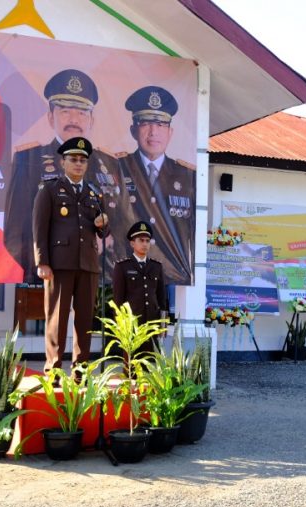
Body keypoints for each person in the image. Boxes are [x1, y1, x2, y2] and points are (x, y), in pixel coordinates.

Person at [5, 69, 120, 284]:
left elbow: (121, 226)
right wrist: (41, 267)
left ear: (92, 119)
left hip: (97, 274)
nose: (74, 119)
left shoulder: (110, 164)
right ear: (50, 116)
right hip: (50, 275)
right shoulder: (27, 160)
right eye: (65, 111)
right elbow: (14, 233)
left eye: (82, 112)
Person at [33, 137, 110, 373]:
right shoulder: (50, 190)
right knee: (57, 317)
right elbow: (39, 228)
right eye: (73, 159)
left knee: (85, 320)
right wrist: (42, 262)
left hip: (87, 264)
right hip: (59, 264)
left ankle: (81, 368)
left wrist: (102, 224)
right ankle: (53, 368)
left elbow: (103, 229)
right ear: (63, 162)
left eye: (82, 160)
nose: (78, 164)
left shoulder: (94, 194)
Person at [111, 85, 195, 285]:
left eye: (160, 124)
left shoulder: (187, 176)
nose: (153, 132)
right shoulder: (116, 168)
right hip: (126, 267)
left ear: (170, 131)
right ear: (133, 130)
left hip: (170, 271)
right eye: (145, 123)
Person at [112, 221, 168, 355]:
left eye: (147, 241)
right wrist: (120, 325)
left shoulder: (156, 267)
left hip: (151, 323)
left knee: (150, 365)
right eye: (141, 240)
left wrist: (163, 325)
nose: (145, 244)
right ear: (132, 243)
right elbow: (118, 299)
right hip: (132, 324)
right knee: (131, 366)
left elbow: (162, 297)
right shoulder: (122, 267)